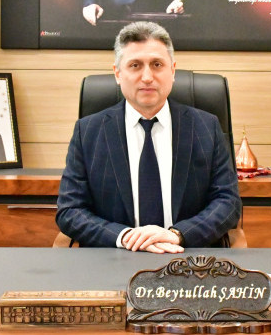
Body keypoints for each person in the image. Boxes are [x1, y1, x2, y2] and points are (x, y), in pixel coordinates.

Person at [56, 21, 241, 253]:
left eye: (157, 64)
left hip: (188, 258)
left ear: (172, 71)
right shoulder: (88, 132)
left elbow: (228, 203)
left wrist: (177, 235)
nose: (147, 77)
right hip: (114, 256)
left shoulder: (206, 127)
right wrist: (124, 237)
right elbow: (70, 210)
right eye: (135, 65)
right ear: (117, 73)